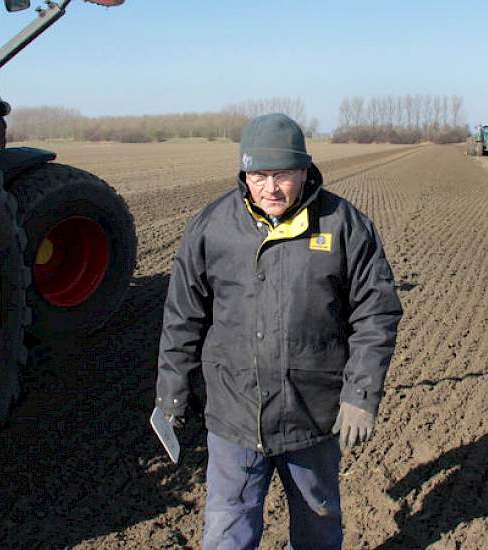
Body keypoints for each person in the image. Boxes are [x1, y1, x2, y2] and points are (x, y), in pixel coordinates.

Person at [155, 113, 402, 550]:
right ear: (244, 174)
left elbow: (376, 313)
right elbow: (183, 316)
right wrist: (172, 390)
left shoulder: (344, 225)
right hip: (234, 414)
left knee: (317, 526)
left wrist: (360, 395)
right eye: (258, 175)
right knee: (227, 531)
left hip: (311, 414)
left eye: (283, 174)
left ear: (304, 171)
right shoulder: (212, 227)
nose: (270, 188)